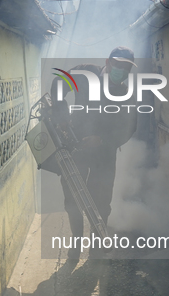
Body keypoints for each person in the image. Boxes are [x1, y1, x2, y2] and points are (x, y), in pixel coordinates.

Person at [50, 46, 138, 259]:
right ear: (108, 63)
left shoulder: (126, 93)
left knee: (101, 201)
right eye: (119, 66)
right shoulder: (84, 75)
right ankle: (75, 243)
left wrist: (103, 139)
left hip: (104, 153)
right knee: (72, 198)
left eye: (127, 68)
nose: (123, 71)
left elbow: (129, 127)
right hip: (75, 146)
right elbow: (58, 83)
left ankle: (96, 249)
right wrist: (62, 116)